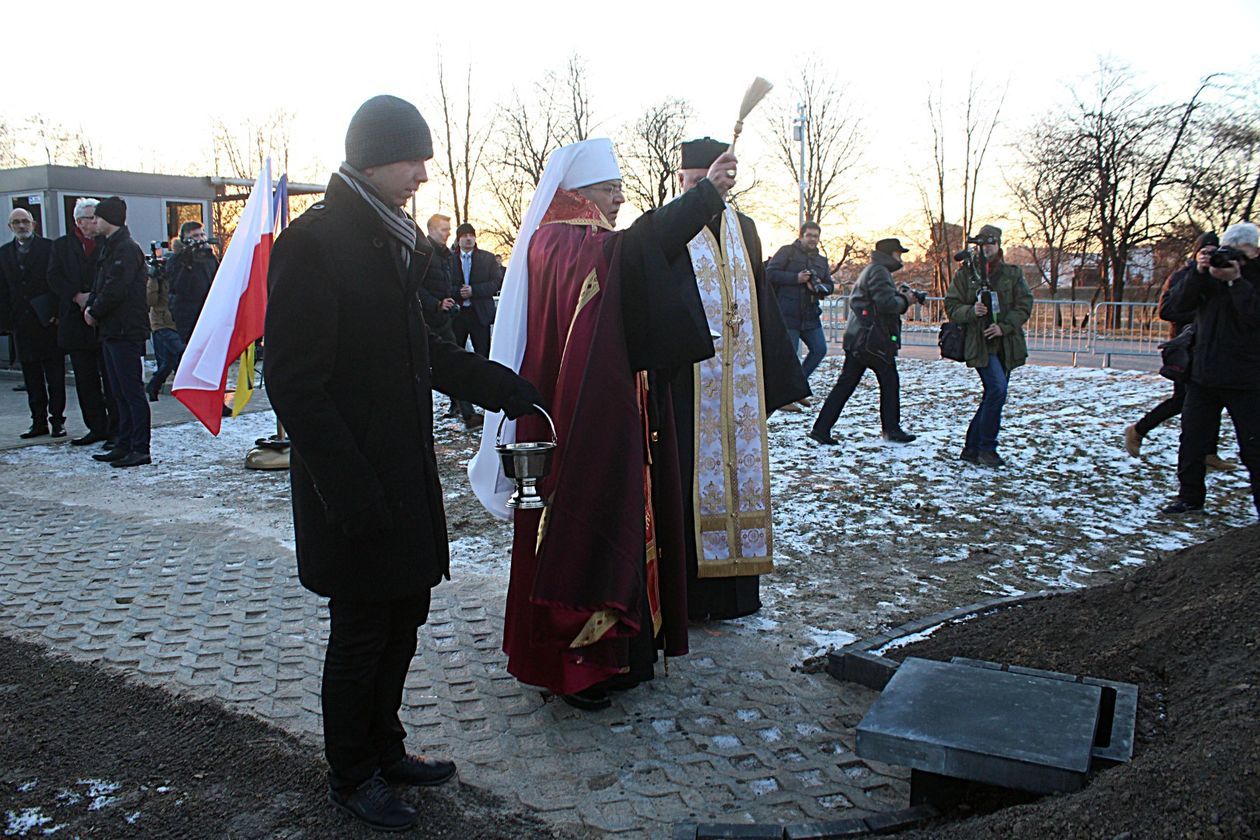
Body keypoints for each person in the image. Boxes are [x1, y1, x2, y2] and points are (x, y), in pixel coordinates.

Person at [263, 95, 544, 833]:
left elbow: (430, 352)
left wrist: (506, 388)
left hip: (403, 473)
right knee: (361, 630)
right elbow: (293, 383)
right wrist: (347, 490)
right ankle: (350, 774)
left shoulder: (398, 242)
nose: (424, 172)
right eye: (411, 158)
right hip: (351, 484)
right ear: (370, 157)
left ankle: (386, 751)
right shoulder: (315, 244)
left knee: (404, 616)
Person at [468, 138, 737, 711]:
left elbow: (629, 261)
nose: (619, 200)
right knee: (584, 526)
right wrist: (704, 197)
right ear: (580, 192)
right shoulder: (568, 242)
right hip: (577, 419)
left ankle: (614, 655)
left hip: (596, 407)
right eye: (611, 190)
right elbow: (634, 254)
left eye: (620, 191)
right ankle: (579, 666)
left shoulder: (563, 241)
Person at [668, 137, 807, 621]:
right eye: (693, 181)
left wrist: (781, 377)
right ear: (681, 180)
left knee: (739, 476)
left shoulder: (744, 228)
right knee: (687, 480)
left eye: (715, 179)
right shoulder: (667, 228)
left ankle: (734, 597)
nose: (704, 188)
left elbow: (762, 299)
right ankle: (688, 596)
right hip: (686, 382)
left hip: (738, 383)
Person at [1159, 222, 1260, 516]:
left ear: (1253, 252)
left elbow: (1253, 317)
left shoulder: (1253, 278)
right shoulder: (1207, 276)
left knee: (1253, 446)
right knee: (1192, 439)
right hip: (1203, 374)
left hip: (1247, 378)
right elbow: (1175, 307)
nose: (1229, 257)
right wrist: (1198, 273)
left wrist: (1236, 281)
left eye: (1238, 251)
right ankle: (1190, 496)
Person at [1124, 232, 1236, 470]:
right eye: (1205, 252)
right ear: (1195, 254)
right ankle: (1138, 430)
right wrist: (1201, 316)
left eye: (1214, 251)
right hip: (1186, 350)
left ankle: (1209, 453)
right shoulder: (1182, 277)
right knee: (1182, 400)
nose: (1209, 256)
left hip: (1212, 350)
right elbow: (1166, 311)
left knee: (1213, 401)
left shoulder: (1220, 277)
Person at [809, 238, 918, 446]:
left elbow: (875, 299)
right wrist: (905, 300)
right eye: (899, 253)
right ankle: (891, 429)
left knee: (846, 384)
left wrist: (898, 296)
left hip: (860, 338)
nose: (901, 257)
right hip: (872, 340)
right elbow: (885, 304)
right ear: (890, 254)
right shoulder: (879, 271)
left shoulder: (873, 270)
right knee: (889, 381)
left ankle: (821, 428)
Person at [943, 224, 1032, 468]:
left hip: (1007, 343)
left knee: (994, 395)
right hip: (980, 344)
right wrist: (971, 311)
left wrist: (1004, 326)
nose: (986, 249)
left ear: (999, 244)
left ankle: (971, 448)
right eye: (982, 245)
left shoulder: (1012, 274)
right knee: (997, 390)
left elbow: (1024, 305)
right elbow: (951, 306)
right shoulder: (966, 275)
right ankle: (987, 448)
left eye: (990, 244)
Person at [85, 197, 151, 467]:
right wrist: (92, 305)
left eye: (97, 218)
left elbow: (115, 288)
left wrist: (94, 310)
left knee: (131, 391)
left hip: (125, 330)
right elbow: (101, 283)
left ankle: (139, 447)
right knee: (118, 391)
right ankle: (123, 442)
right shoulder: (110, 247)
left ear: (108, 219)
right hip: (112, 330)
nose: (93, 222)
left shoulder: (125, 248)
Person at [47, 198, 115, 445]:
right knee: (85, 380)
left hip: (103, 321)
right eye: (91, 217)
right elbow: (53, 276)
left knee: (110, 379)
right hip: (75, 323)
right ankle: (96, 427)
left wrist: (95, 300)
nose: (95, 221)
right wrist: (76, 296)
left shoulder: (108, 244)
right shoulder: (62, 246)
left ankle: (114, 427)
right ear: (79, 221)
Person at [0, 208, 64, 439]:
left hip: (48, 323)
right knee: (31, 378)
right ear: (10, 227)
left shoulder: (49, 248)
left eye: (25, 221)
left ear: (34, 224)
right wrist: (7, 323)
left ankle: (57, 420)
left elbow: (58, 281)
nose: (21, 226)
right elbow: (3, 290)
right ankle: (38, 421)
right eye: (16, 223)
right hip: (23, 324)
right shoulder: (4, 254)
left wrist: (57, 313)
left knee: (55, 377)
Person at [422, 214, 479, 429]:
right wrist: (436, 303)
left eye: (448, 229)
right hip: (427, 321)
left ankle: (468, 413)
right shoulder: (422, 253)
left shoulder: (445, 256)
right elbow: (415, 287)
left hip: (444, 320)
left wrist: (449, 302)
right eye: (443, 229)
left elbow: (447, 284)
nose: (447, 233)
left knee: (455, 363)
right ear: (431, 229)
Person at [768, 220, 834, 401]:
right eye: (809, 235)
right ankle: (784, 396)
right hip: (787, 313)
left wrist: (820, 289)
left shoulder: (821, 261)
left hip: (810, 314)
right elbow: (770, 274)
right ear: (801, 236)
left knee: (819, 349)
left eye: (816, 236)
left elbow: (830, 284)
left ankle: (796, 388)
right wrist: (795, 278)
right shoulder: (786, 252)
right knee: (789, 357)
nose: (813, 239)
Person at [449, 222, 501, 358]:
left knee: (483, 354)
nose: (468, 238)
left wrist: (474, 290)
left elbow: (496, 282)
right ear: (458, 239)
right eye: (464, 235)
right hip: (456, 314)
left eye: (471, 235)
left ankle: (483, 379)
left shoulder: (488, 258)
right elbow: (442, 284)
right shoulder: (449, 259)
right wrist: (458, 292)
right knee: (456, 354)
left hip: (479, 314)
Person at [166, 221, 218, 344]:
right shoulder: (177, 259)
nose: (200, 239)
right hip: (187, 315)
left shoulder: (210, 257)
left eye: (202, 235)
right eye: (195, 236)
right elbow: (178, 286)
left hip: (208, 312)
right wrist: (187, 260)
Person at [144, 247, 184, 401]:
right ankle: (187, 387)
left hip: (176, 322)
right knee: (182, 352)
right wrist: (153, 279)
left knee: (168, 363)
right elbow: (150, 301)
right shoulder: (157, 279)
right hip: (162, 324)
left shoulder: (178, 276)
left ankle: (153, 386)